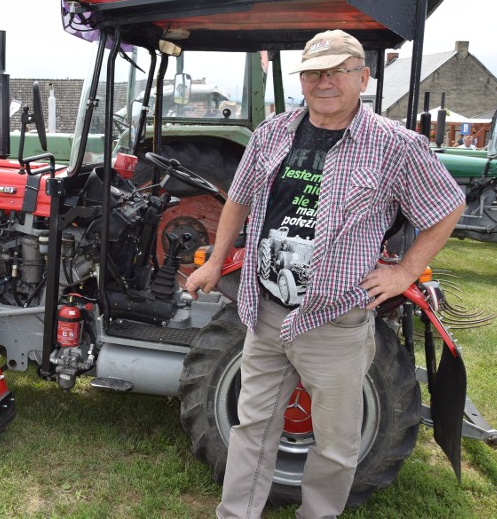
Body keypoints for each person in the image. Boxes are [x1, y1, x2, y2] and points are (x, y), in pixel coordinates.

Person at [185, 29, 465, 519]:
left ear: (364, 76)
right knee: (252, 430)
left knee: (335, 445)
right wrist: (214, 262)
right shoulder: (273, 133)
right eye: (314, 72)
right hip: (266, 313)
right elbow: (239, 199)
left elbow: (446, 206)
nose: (325, 81)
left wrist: (405, 272)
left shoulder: (395, 146)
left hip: (333, 322)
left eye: (338, 70)